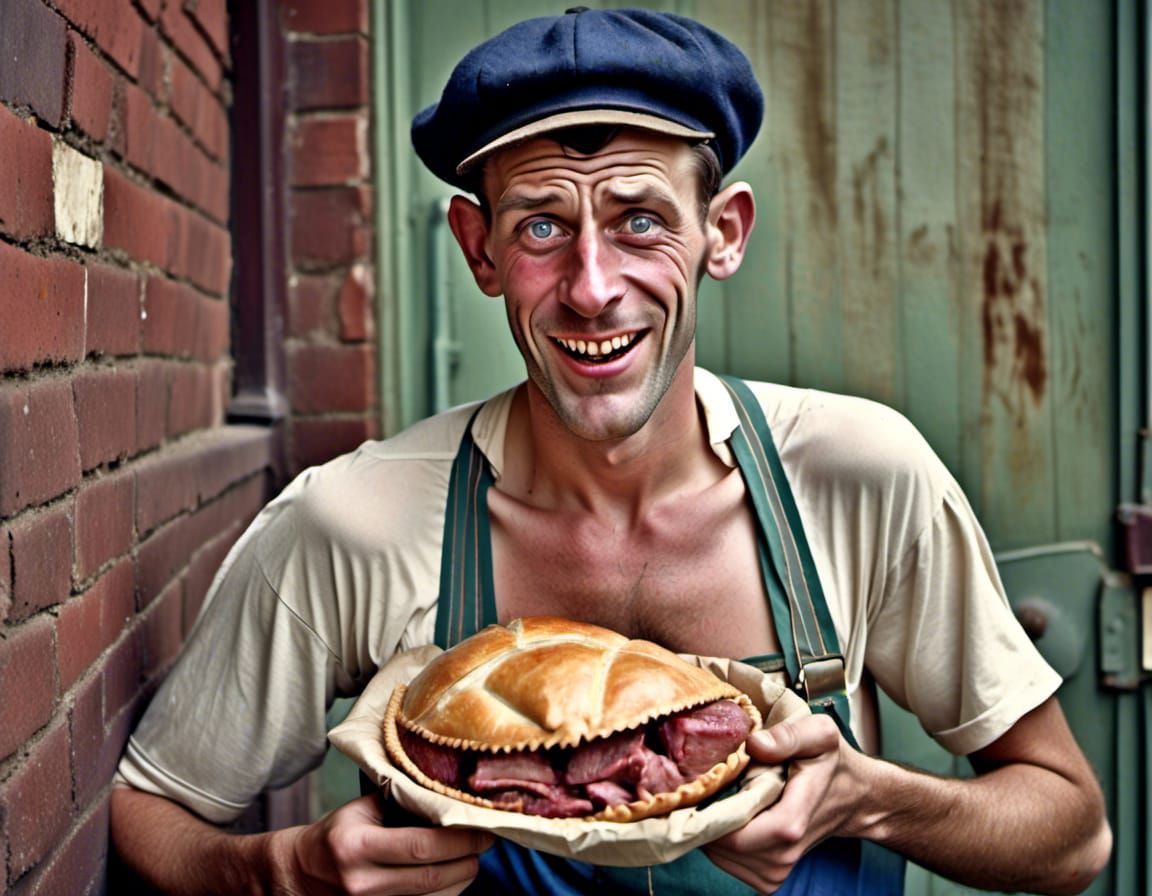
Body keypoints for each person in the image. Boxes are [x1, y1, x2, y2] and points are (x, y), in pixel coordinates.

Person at [110, 7, 1111, 895]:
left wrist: (867, 797)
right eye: (544, 224)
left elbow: (1072, 834)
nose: (593, 286)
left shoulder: (857, 476)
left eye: (640, 220)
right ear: (479, 247)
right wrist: (280, 870)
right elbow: (147, 810)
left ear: (724, 231)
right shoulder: (356, 523)